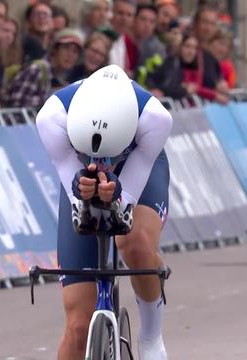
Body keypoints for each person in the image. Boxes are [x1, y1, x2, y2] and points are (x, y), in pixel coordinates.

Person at [35, 64, 172, 360]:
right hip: (79, 171)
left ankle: (151, 337)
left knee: (132, 242)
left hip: (137, 168)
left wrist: (119, 197)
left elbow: (127, 200)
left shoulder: (155, 118)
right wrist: (81, 191)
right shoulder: (51, 117)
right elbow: (74, 191)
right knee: (78, 328)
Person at [6, 28, 83, 110]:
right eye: (66, 48)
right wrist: (55, 98)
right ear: (55, 49)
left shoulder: (62, 79)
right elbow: (17, 103)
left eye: (75, 51)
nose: (70, 55)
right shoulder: (37, 69)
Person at [108, 0, 137, 76]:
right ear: (112, 14)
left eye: (129, 15)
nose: (124, 18)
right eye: (120, 13)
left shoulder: (129, 44)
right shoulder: (101, 36)